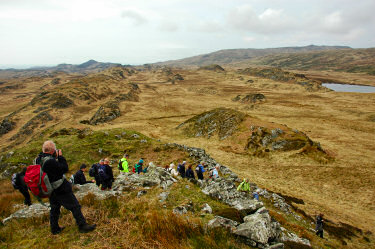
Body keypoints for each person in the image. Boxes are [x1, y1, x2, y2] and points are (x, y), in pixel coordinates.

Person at [35, 140, 96, 235]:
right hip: (60, 188)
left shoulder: (38, 159)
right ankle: (82, 226)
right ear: (52, 150)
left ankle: (54, 229)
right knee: (75, 206)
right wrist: (60, 157)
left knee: (54, 209)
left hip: (50, 189)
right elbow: (64, 168)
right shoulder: (50, 161)